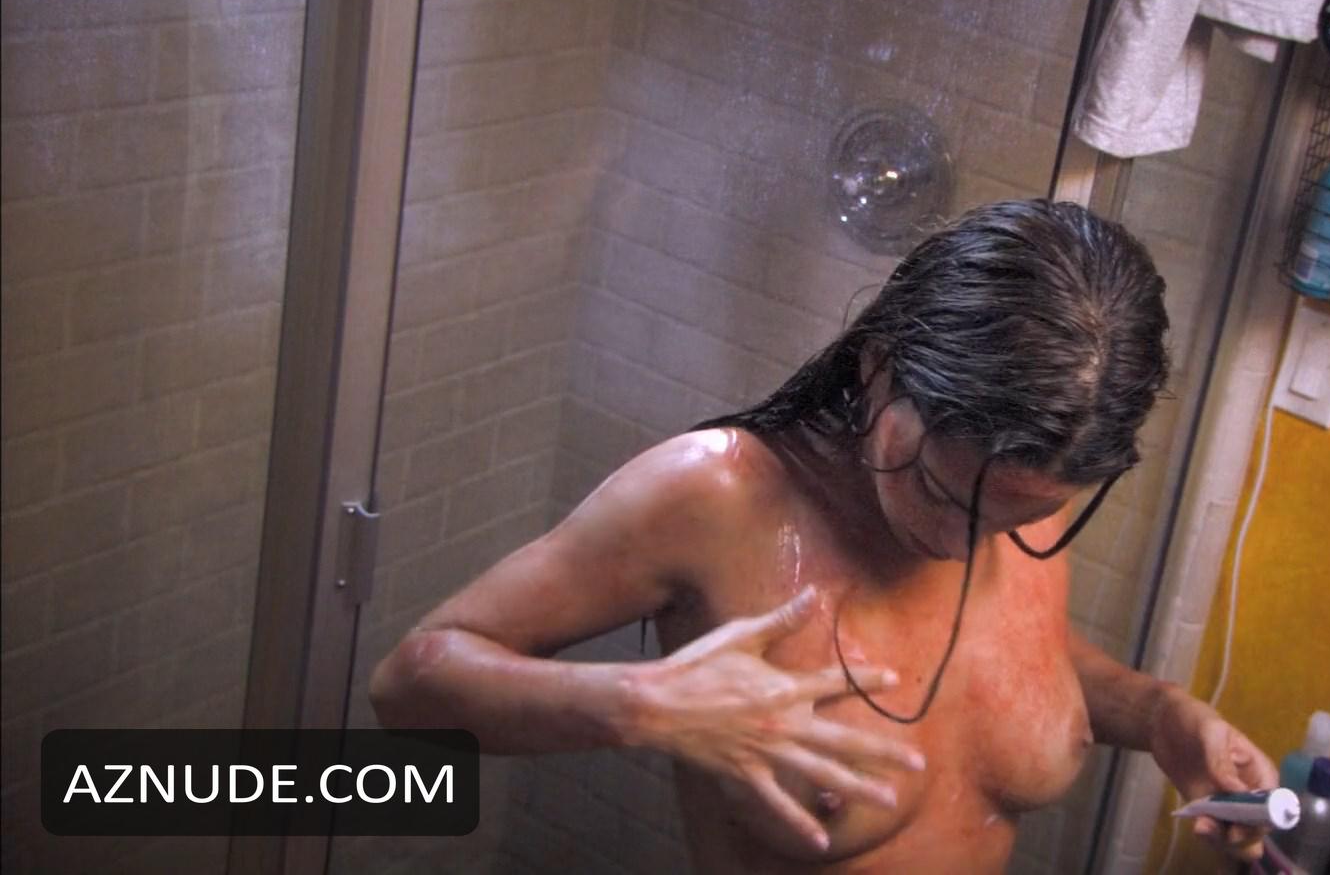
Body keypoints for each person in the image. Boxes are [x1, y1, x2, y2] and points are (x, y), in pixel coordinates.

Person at [371, 199, 1277, 871]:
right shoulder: (717, 496)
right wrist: (640, 703)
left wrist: (1157, 715)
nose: (965, 545)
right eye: (937, 490)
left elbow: (1010, 660)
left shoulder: (1015, 484)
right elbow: (410, 684)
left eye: (1019, 520)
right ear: (880, 368)